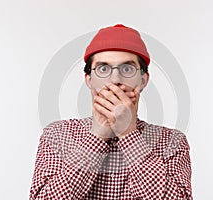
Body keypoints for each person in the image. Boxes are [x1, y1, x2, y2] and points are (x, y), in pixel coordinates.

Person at [29, 24, 192, 199]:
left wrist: (128, 134)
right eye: (103, 69)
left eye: (127, 69)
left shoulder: (172, 141)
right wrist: (97, 135)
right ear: (89, 80)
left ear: (143, 80)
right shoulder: (58, 135)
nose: (115, 80)